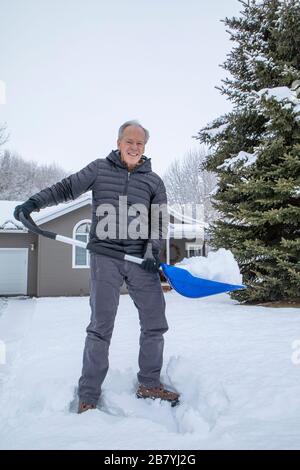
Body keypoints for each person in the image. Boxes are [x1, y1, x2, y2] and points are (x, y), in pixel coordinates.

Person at [14, 120, 180, 412]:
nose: (134, 147)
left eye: (140, 144)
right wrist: (32, 203)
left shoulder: (154, 182)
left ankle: (149, 382)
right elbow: (67, 188)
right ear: (118, 143)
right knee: (100, 327)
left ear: (145, 148)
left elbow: (159, 222)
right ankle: (88, 396)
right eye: (129, 141)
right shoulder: (99, 169)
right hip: (105, 256)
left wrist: (153, 251)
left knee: (155, 323)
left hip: (140, 260)